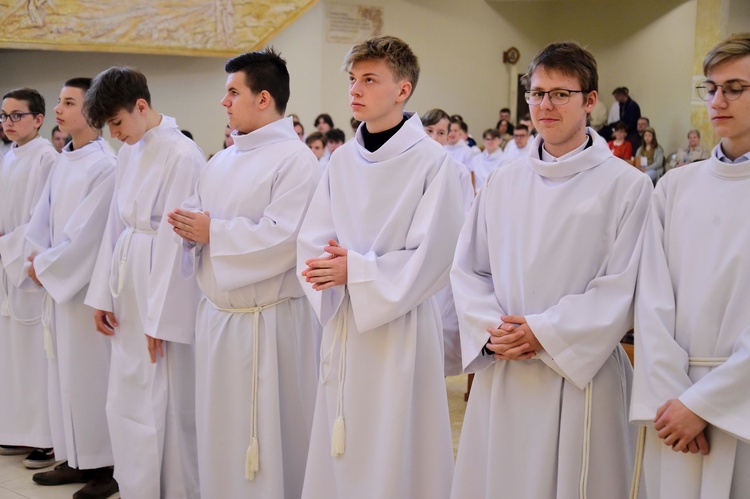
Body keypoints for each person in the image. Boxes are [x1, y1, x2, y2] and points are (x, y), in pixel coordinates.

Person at [450, 41, 652, 499]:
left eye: (561, 94)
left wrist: (543, 331)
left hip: (581, 376)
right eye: (538, 93)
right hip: (504, 370)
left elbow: (623, 287)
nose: (546, 105)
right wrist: (492, 329)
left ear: (591, 101)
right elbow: (468, 270)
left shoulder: (627, 187)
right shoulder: (503, 181)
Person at [297, 35, 464, 499]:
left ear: (403, 89)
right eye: (353, 79)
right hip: (346, 323)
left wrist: (360, 272)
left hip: (401, 327)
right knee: (342, 436)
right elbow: (312, 238)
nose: (356, 89)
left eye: (370, 79)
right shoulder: (340, 161)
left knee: (398, 442)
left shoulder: (433, 164)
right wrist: (331, 274)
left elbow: (434, 255)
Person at [168, 48, 321, 499]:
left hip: (268, 324)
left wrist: (213, 231)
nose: (224, 101)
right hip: (219, 319)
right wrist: (191, 231)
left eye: (233, 91)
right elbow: (207, 224)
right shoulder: (222, 160)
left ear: (263, 98)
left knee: (268, 438)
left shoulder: (295, 161)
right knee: (221, 432)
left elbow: (285, 238)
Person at [630, 32, 750, 499]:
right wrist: (673, 400)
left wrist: (704, 404)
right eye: (712, 87)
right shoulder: (675, 188)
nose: (718, 100)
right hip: (673, 409)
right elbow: (651, 303)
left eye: (736, 88)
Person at [83, 67, 204, 499]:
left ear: (141, 106)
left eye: (117, 123)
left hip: (158, 283)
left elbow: (180, 243)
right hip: (127, 278)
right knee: (127, 396)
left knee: (164, 399)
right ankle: (134, 486)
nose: (115, 135)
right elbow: (115, 226)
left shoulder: (182, 154)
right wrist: (102, 294)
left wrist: (163, 319)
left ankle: (173, 490)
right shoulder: (129, 152)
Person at [24, 77, 118, 498]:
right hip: (57, 282)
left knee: (91, 376)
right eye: (59, 102)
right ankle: (76, 458)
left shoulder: (105, 165)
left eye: (69, 102)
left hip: (84, 288)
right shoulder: (65, 158)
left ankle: (105, 465)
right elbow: (40, 217)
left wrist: (45, 265)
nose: (59, 110)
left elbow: (88, 235)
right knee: (63, 373)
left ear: (93, 109)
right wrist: (37, 257)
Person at [0, 88, 57, 469]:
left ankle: (45, 438)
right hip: (7, 261)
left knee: (36, 355)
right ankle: (18, 430)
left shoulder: (46, 159)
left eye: (16, 115)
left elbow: (42, 219)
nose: (8, 123)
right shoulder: (9, 156)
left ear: (38, 119)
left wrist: (8, 246)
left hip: (26, 266)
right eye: (3, 116)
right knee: (12, 354)